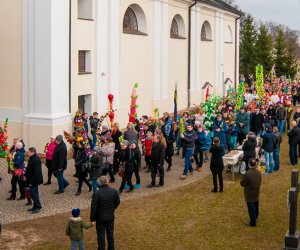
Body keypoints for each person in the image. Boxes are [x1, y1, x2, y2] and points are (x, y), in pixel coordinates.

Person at [90, 176, 120, 250]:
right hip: (110, 217)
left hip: (100, 218)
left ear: (99, 183)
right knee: (110, 234)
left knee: (101, 236)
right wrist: (112, 209)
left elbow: (94, 208)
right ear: (107, 181)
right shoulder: (114, 191)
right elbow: (117, 202)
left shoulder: (96, 194)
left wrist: (92, 219)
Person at [240, 158, 262, 227]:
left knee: (251, 207)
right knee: (256, 204)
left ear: (249, 164)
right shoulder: (258, 172)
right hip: (256, 191)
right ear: (255, 164)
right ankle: (255, 217)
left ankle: (253, 222)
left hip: (249, 193)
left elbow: (243, 183)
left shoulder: (247, 174)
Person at [24, 147, 43, 214]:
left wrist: (32, 182)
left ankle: (38, 206)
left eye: (28, 152)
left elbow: (36, 172)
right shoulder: (32, 158)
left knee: (33, 194)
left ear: (33, 152)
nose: (27, 153)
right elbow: (29, 169)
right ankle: (35, 206)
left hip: (34, 180)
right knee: (34, 193)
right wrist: (25, 176)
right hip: (31, 179)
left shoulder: (36, 160)